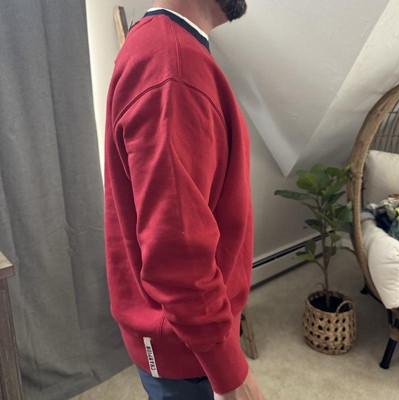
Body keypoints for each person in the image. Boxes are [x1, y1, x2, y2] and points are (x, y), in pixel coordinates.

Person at [104, 0, 265, 399]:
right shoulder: (172, 68)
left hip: (182, 340)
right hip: (185, 351)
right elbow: (176, 253)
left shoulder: (167, 50)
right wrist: (231, 374)